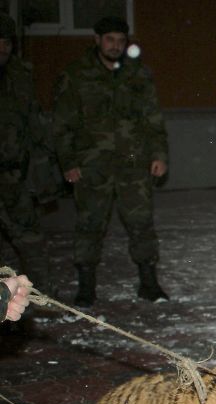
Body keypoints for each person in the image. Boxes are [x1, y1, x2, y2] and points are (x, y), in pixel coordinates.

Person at [53, 16, 169, 306]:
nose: (116, 46)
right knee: (90, 224)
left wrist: (159, 155)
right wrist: (68, 162)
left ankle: (148, 282)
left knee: (141, 223)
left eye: (121, 40)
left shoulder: (138, 75)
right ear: (97, 40)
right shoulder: (76, 75)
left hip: (134, 162)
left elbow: (153, 119)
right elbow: (62, 123)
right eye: (110, 40)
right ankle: (86, 286)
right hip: (92, 165)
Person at [0, 14, 49, 293]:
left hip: (13, 176)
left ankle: (42, 297)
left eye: (7, 42)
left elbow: (35, 123)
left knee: (31, 241)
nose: (2, 48)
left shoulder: (21, 75)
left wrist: (41, 170)